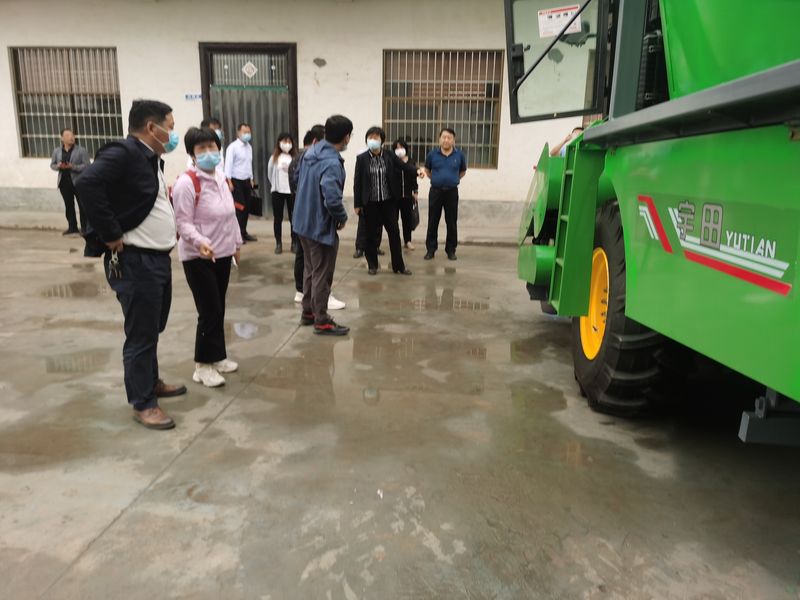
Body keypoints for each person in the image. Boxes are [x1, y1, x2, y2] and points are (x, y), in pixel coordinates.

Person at [76, 99, 186, 430]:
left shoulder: (149, 158)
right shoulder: (124, 152)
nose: (173, 133)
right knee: (140, 333)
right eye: (170, 126)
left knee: (152, 328)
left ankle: (150, 382)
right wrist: (110, 233)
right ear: (152, 127)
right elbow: (86, 183)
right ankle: (143, 403)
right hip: (137, 261)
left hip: (156, 259)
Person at [173, 127, 243, 388]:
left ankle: (217, 356)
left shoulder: (221, 177)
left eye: (211, 147)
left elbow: (229, 215)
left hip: (222, 253)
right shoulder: (186, 183)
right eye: (201, 149)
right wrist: (200, 242)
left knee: (218, 307)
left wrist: (236, 243)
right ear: (192, 154)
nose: (208, 152)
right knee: (209, 310)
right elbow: (182, 222)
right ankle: (202, 366)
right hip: (198, 256)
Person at [292, 114, 352, 336]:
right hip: (319, 225)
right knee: (322, 273)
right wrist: (341, 217)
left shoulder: (309, 153)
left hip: (302, 222)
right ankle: (322, 319)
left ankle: (308, 311)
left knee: (310, 269)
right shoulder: (331, 162)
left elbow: (296, 179)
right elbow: (332, 199)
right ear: (346, 137)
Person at [353, 126, 422, 275]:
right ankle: (372, 265)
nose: (373, 140)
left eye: (376, 138)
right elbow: (357, 183)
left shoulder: (389, 155)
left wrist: (417, 171)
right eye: (370, 137)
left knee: (394, 234)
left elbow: (404, 166)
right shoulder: (362, 159)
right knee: (370, 236)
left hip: (388, 202)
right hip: (370, 203)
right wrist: (357, 204)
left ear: (382, 140)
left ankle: (399, 266)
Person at [423, 128, 467, 261]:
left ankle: (451, 250)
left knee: (451, 221)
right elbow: (427, 170)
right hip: (436, 192)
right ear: (439, 139)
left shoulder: (459, 155)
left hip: (452, 192)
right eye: (444, 137)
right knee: (433, 221)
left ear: (453, 140)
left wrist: (452, 180)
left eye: (449, 137)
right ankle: (431, 250)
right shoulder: (432, 154)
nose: (446, 140)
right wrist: (437, 179)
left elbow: (462, 172)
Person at [50, 128, 90, 235]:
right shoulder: (57, 151)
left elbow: (87, 166)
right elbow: (52, 165)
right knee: (69, 206)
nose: (71, 137)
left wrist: (73, 167)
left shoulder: (81, 150)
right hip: (64, 183)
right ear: (62, 138)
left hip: (78, 182)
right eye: (67, 135)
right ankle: (72, 227)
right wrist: (58, 166)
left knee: (83, 206)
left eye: (72, 135)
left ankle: (85, 228)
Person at [225, 122, 257, 242]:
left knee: (247, 207)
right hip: (236, 180)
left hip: (246, 181)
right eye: (245, 132)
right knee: (240, 208)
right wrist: (229, 181)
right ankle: (238, 235)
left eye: (249, 132)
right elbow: (228, 165)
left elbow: (249, 164)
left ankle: (244, 232)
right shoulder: (232, 147)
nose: (247, 134)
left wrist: (251, 178)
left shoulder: (249, 147)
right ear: (238, 133)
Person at [267, 132, 297, 254]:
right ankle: (278, 243)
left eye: (289, 142)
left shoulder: (294, 157)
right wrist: (275, 185)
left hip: (291, 192)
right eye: (284, 141)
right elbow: (270, 173)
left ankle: (294, 243)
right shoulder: (274, 158)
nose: (287, 144)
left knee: (293, 218)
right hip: (277, 191)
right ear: (279, 143)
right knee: (277, 218)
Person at [391, 139, 419, 250]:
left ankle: (408, 241)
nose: (399, 150)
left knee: (407, 220)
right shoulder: (392, 161)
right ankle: (395, 241)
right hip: (394, 196)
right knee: (393, 220)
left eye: (401, 147)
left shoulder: (411, 161)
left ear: (406, 149)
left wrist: (415, 191)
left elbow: (414, 178)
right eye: (397, 148)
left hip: (407, 195)